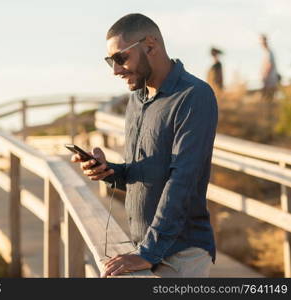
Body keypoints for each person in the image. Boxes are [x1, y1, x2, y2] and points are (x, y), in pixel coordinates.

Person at [71, 13, 218, 277]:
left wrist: (148, 252)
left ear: (150, 45)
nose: (115, 70)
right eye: (110, 61)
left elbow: (182, 180)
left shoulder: (194, 95)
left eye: (120, 58)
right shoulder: (137, 100)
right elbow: (144, 173)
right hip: (145, 247)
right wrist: (110, 172)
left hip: (181, 254)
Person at [260, 34, 279, 138]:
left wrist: (265, 80)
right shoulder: (267, 53)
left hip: (270, 82)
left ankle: (269, 130)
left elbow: (269, 66)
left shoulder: (269, 53)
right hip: (269, 82)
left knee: (268, 106)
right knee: (267, 105)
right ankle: (267, 129)